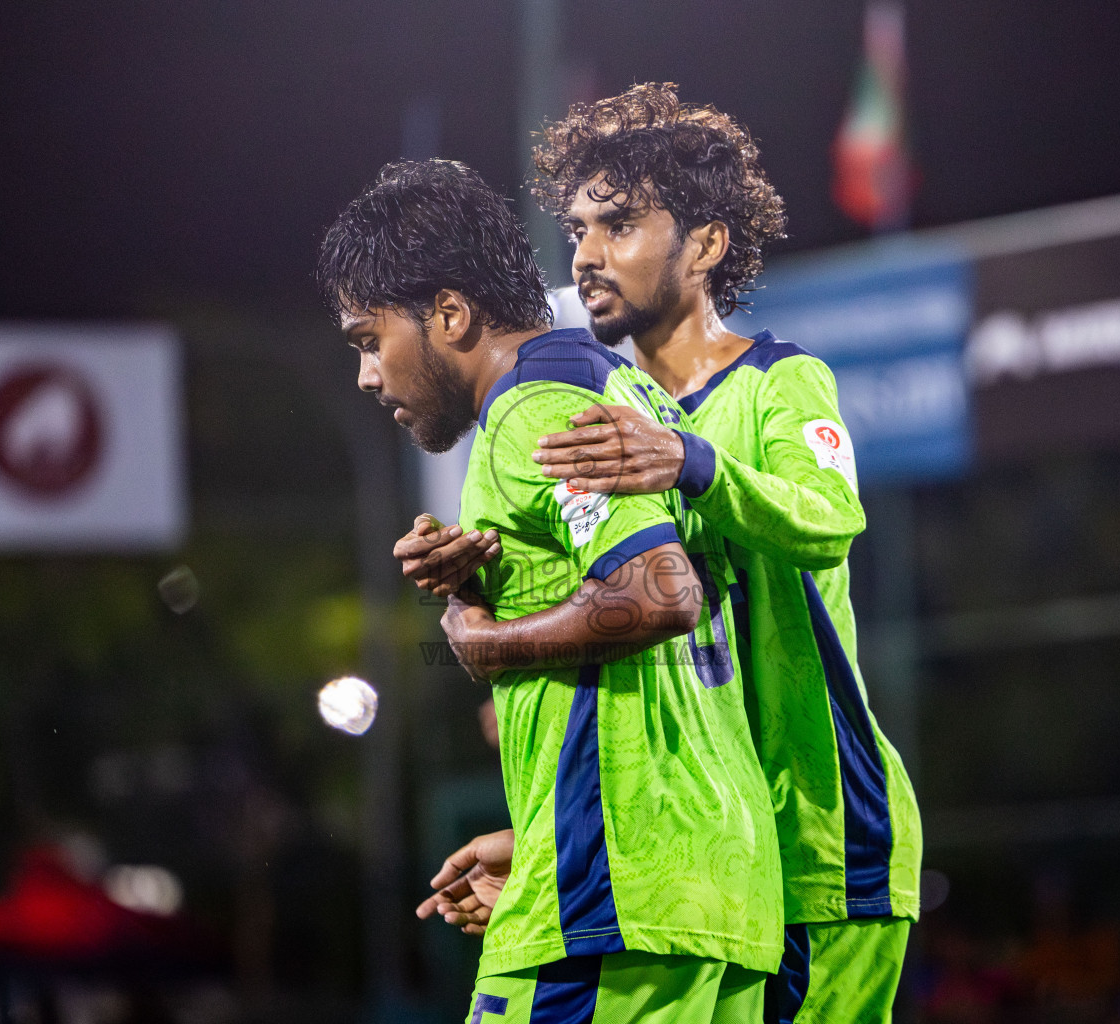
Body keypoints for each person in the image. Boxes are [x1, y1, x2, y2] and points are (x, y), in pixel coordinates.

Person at [410, 84, 923, 1022]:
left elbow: (830, 516)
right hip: (707, 847)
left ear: (707, 245)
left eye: (620, 225)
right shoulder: (600, 410)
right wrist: (480, 566)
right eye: (577, 230)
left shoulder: (779, 380)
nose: (587, 254)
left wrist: (692, 461)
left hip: (819, 834)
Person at [318, 159, 782, 1021]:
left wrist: (487, 641)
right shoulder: (624, 387)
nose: (367, 376)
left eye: (368, 339)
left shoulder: (533, 409)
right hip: (704, 885)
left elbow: (658, 592)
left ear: (449, 315)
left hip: (615, 896)